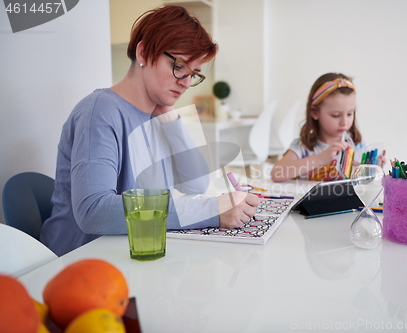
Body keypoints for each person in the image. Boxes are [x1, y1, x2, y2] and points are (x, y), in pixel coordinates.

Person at [41, 5, 259, 256]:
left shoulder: (159, 112)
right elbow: (94, 211)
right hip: (80, 261)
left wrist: (171, 118)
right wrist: (210, 210)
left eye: (194, 74)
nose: (186, 83)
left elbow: (197, 184)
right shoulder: (100, 111)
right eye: (179, 66)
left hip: (133, 252)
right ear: (143, 52)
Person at [271, 73, 371, 182]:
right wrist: (322, 158)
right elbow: (276, 174)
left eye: (350, 114)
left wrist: (373, 167)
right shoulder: (303, 146)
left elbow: (366, 184)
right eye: (336, 115)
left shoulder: (357, 145)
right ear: (315, 112)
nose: (344, 122)